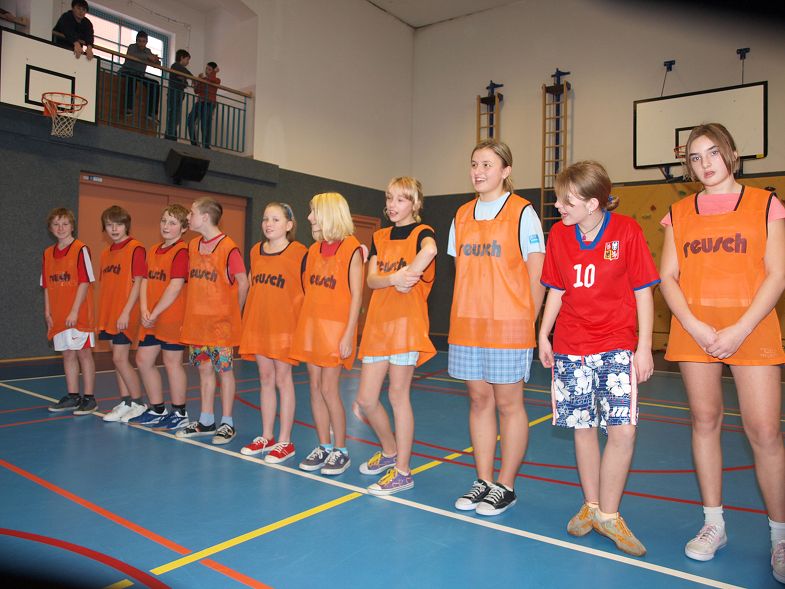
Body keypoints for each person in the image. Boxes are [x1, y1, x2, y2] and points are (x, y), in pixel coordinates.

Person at [658, 123, 785, 582]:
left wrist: (739, 329)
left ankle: (780, 536)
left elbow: (777, 274)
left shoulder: (766, 204)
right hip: (696, 331)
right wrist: (694, 326)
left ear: (731, 153)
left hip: (751, 327)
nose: (705, 163)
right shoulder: (678, 212)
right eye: (695, 157)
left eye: (712, 153)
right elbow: (667, 276)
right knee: (705, 422)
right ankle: (714, 524)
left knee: (765, 431)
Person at [538, 161, 659, 557]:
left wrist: (643, 346)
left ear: (592, 204)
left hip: (616, 343)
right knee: (582, 427)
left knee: (622, 430)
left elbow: (643, 290)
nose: (558, 206)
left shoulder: (626, 231)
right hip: (571, 345)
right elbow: (557, 289)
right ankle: (591, 507)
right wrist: (543, 333)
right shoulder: (560, 234)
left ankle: (609, 514)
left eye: (566, 201)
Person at [449, 139, 545, 516]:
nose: (479, 171)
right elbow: (462, 271)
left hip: (509, 326)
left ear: (506, 171)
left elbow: (537, 275)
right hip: (469, 324)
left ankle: (505, 485)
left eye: (487, 165)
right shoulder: (461, 215)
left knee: (508, 404)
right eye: (475, 164)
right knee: (479, 400)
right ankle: (483, 480)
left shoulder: (523, 213)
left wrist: (527, 323)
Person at [354, 177, 437, 495]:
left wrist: (410, 274)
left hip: (405, 326)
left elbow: (430, 250)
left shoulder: (422, 232)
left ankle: (403, 470)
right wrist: (395, 278)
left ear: (415, 204)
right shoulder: (379, 236)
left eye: (400, 199)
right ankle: (389, 451)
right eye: (389, 198)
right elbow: (372, 280)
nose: (392, 205)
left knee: (397, 396)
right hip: (378, 326)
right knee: (366, 399)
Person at [291, 192, 363, 475]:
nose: (309, 217)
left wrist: (348, 334)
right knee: (314, 387)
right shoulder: (313, 250)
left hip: (336, 330)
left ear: (330, 214)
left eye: (314, 212)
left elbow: (357, 297)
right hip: (312, 327)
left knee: (329, 389)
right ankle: (323, 445)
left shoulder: (352, 248)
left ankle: (341, 450)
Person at [238, 203, 307, 464]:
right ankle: (266, 436)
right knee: (265, 378)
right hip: (258, 325)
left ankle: (285, 441)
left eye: (276, 219)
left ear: (289, 225)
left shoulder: (299, 252)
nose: (269, 224)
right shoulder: (255, 250)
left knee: (283, 379)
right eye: (266, 219)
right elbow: (252, 283)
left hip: (284, 327)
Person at [176, 198, 249, 444]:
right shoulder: (192, 245)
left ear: (205, 217)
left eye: (192, 213)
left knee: (224, 372)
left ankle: (227, 423)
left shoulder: (229, 248)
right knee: (204, 370)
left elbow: (243, 283)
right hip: (197, 325)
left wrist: (234, 313)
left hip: (221, 326)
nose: (188, 217)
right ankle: (206, 420)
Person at [128, 205, 190, 431]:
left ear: (183, 228)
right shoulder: (153, 249)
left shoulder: (182, 252)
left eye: (172, 223)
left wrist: (154, 313)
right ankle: (157, 409)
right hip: (151, 317)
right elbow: (144, 280)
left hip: (171, 317)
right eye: (164, 221)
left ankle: (180, 413)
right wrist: (145, 308)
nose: (166, 226)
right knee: (143, 360)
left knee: (172, 363)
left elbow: (175, 286)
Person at [97, 206, 148, 423]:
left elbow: (139, 283)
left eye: (118, 224)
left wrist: (126, 312)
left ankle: (138, 403)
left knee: (119, 357)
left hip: (126, 312)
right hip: (110, 313)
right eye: (109, 225)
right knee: (117, 359)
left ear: (126, 225)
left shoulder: (136, 248)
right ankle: (126, 402)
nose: (114, 229)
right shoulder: (105, 253)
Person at [44, 208, 97, 415]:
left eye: (65, 223)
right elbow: (47, 285)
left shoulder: (80, 249)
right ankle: (73, 396)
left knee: (84, 353)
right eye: (56, 224)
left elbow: (84, 282)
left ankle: (90, 398)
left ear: (72, 226)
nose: (61, 228)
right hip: (58, 314)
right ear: (50, 228)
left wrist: (74, 311)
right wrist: (47, 312)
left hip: (78, 313)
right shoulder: (47, 253)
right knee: (67, 354)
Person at [119, 30, 161, 121]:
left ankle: (152, 113)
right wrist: (148, 57)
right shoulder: (132, 47)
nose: (141, 43)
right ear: (136, 41)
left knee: (155, 84)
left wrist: (156, 59)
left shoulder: (148, 51)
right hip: (127, 72)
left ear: (146, 42)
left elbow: (157, 64)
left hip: (139, 75)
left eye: (143, 41)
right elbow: (133, 55)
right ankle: (128, 108)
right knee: (131, 79)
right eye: (139, 41)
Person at [187, 62, 220, 149]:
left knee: (205, 124)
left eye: (209, 69)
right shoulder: (203, 79)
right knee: (190, 120)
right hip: (199, 102)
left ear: (214, 71)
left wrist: (214, 72)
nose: (206, 71)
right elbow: (196, 91)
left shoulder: (217, 80)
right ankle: (194, 143)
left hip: (209, 103)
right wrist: (196, 82)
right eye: (206, 68)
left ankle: (206, 145)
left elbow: (212, 80)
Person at [164, 49, 192, 141]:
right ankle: (170, 135)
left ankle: (172, 135)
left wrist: (185, 81)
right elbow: (185, 73)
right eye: (187, 59)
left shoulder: (179, 69)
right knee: (174, 115)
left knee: (176, 116)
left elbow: (184, 81)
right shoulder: (176, 66)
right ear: (182, 58)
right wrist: (192, 78)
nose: (188, 62)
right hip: (174, 94)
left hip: (178, 94)